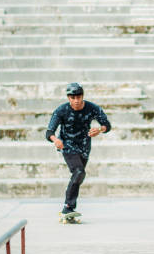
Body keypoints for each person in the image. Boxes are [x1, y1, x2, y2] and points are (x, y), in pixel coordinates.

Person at [46, 83, 111, 222]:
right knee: (79, 172)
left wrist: (100, 129)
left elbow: (107, 124)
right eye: (73, 97)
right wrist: (55, 139)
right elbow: (49, 131)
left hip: (84, 146)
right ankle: (68, 206)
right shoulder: (61, 110)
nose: (76, 100)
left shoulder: (92, 108)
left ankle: (69, 209)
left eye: (79, 97)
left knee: (78, 176)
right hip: (67, 145)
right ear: (68, 98)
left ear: (83, 96)